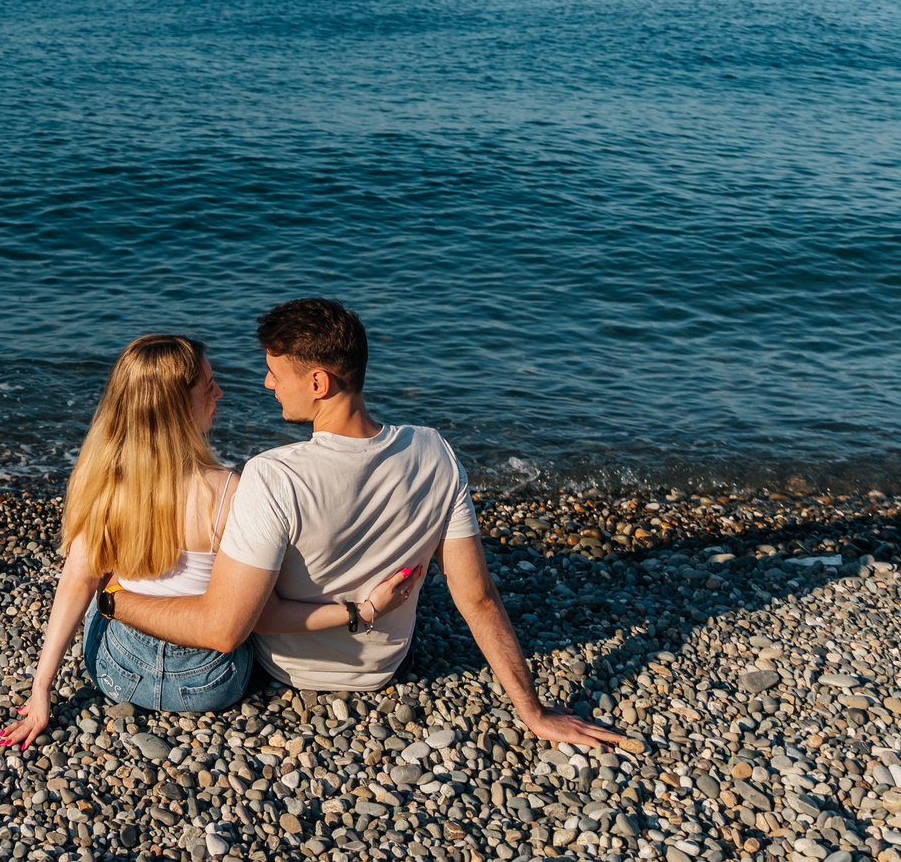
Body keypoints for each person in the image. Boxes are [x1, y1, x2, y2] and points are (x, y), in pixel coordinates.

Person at [94, 300, 631, 751]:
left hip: (286, 670)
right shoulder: (436, 452)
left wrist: (117, 600)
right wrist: (532, 712)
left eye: (276, 373)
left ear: (319, 381)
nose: (266, 383)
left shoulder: (274, 475)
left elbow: (225, 629)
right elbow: (480, 599)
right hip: (383, 669)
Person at [0, 334, 421, 746]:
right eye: (208, 386)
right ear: (180, 406)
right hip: (211, 683)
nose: (219, 392)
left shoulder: (103, 482)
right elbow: (256, 615)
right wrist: (363, 610)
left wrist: (42, 690)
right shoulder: (229, 491)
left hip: (117, 673)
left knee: (98, 584)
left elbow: (75, 584)